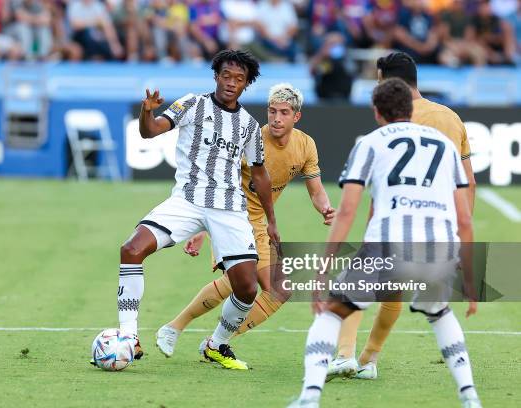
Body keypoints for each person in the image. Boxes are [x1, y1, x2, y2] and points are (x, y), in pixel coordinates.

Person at [289, 78, 481, 408]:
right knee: (440, 313)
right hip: (438, 245)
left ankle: (309, 397)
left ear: (377, 112)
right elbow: (464, 217)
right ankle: (470, 397)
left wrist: (323, 269)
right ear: (410, 108)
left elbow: (347, 210)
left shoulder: (371, 142)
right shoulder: (444, 145)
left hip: (387, 244)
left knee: (330, 314)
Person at [116, 50, 279, 370]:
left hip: (230, 209)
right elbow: (151, 131)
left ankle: (217, 344)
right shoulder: (192, 103)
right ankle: (128, 337)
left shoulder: (248, 124)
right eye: (226, 76)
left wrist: (272, 222)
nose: (232, 83)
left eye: (239, 79)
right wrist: (146, 113)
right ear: (216, 76)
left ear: (246, 84)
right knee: (131, 249)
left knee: (247, 288)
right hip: (186, 201)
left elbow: (259, 174)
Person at [155, 83, 335, 358]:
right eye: (272, 111)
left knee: (279, 291)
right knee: (240, 280)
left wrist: (325, 208)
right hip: (228, 216)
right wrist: (203, 228)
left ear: (296, 116)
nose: (276, 118)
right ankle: (174, 328)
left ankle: (216, 342)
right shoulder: (251, 137)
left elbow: (316, 189)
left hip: (259, 223)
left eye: (284, 112)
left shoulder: (306, 145)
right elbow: (215, 178)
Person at [328, 51, 477, 381]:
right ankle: (368, 360)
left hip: (397, 218)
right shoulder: (451, 118)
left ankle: (345, 355)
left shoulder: (398, 117)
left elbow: (387, 181)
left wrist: (370, 224)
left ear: (387, 81)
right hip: (440, 228)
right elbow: (469, 182)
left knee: (359, 282)